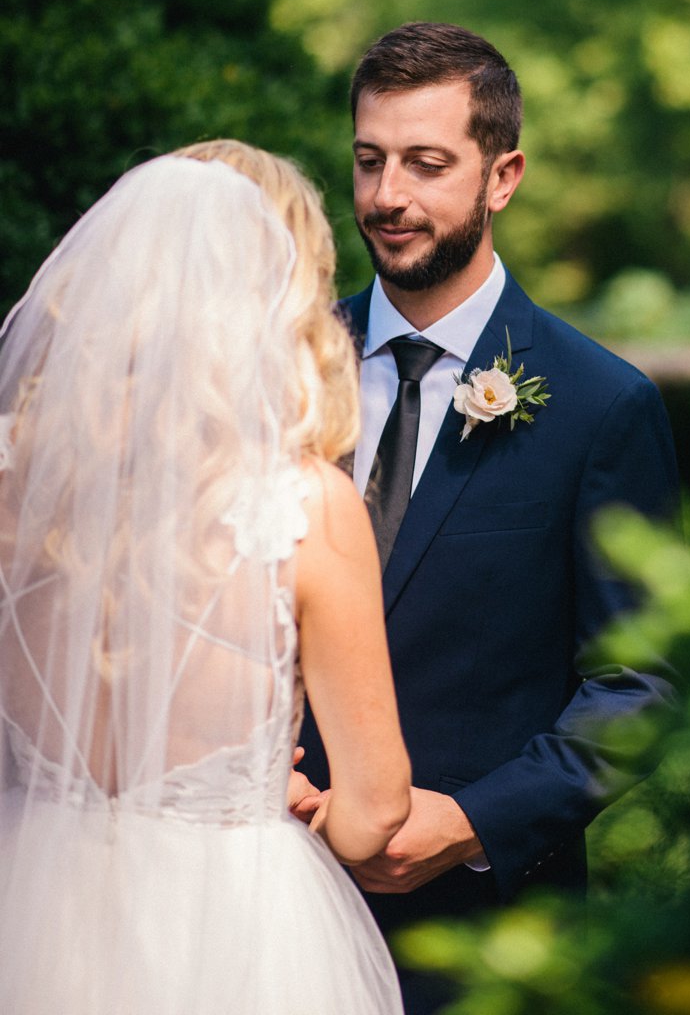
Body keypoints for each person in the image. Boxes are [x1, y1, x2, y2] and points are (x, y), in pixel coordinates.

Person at [293, 23, 682, 1012]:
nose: (387, 197)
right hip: (272, 905)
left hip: (485, 941)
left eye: (427, 164)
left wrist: (468, 823)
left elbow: (639, 687)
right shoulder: (278, 372)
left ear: (503, 176)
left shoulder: (602, 405)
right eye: (370, 160)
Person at [0, 140, 411, 1014]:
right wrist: (298, 800)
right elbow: (375, 811)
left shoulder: (16, 490)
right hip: (234, 930)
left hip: (29, 900)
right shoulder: (304, 508)